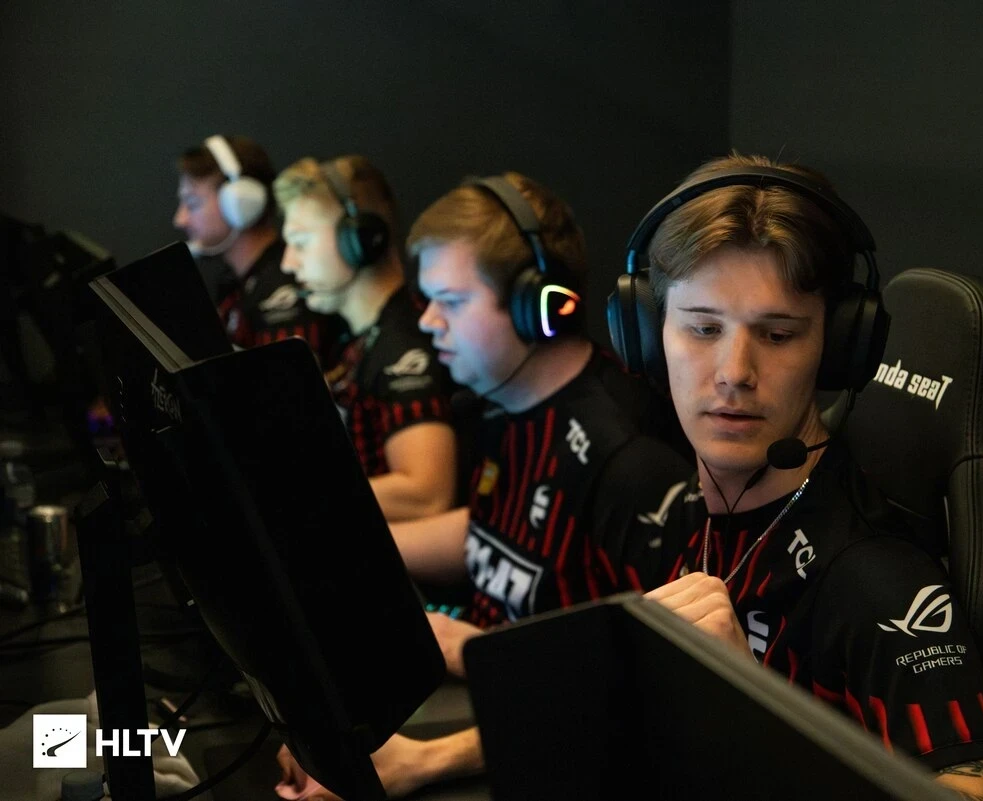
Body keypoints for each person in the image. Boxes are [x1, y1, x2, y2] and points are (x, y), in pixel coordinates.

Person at [275, 171, 692, 799]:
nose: (428, 323)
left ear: (538, 307)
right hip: (490, 693)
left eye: (450, 301)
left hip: (559, 754)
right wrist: (335, 547)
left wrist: (425, 760)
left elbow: (641, 692)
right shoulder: (502, 400)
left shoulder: (630, 463)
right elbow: (490, 531)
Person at [630, 155, 983, 801]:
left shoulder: (874, 578)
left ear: (838, 347)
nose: (734, 371)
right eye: (702, 328)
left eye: (778, 334)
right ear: (647, 334)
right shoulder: (680, 505)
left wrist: (753, 709)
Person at [273, 155, 457, 522]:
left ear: (358, 240)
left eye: (301, 242)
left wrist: (291, 492)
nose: (288, 263)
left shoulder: (404, 346)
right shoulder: (359, 337)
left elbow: (427, 492)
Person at [172, 134, 344, 365]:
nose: (180, 219)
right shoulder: (233, 285)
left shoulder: (285, 289)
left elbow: (283, 384)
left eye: (192, 203)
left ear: (240, 204)